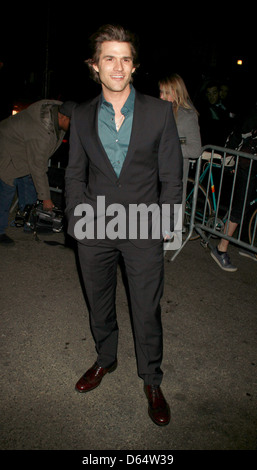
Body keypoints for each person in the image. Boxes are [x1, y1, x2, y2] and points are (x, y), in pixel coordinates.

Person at [65, 24, 183, 426]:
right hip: (94, 223)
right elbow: (74, 173)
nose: (118, 66)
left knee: (145, 307)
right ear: (94, 66)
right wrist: (76, 219)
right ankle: (105, 359)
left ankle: (152, 379)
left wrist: (169, 219)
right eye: (109, 58)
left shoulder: (158, 111)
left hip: (143, 223)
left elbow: (171, 172)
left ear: (134, 66)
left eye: (125, 58)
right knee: (98, 300)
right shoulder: (79, 115)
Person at [0, 99, 77, 244]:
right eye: (73, 123)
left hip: (23, 149)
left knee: (29, 183)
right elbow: (38, 166)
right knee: (6, 188)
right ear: (63, 117)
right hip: (7, 150)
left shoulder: (58, 114)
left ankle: (28, 222)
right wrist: (46, 198)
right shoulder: (40, 131)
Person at [211, 105, 257, 271]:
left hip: (250, 163)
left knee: (249, 204)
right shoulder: (253, 112)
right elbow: (243, 131)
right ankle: (221, 248)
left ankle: (244, 243)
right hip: (245, 163)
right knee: (240, 205)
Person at [159, 73, 202, 221]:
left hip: (174, 172)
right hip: (155, 170)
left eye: (166, 93)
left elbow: (196, 149)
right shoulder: (160, 111)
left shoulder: (188, 116)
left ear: (177, 92)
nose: (162, 97)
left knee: (170, 215)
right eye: (161, 92)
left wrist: (170, 150)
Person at [198, 81, 234, 146]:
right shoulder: (204, 109)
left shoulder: (224, 107)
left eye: (214, 93)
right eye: (209, 94)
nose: (211, 97)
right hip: (210, 145)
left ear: (219, 93)